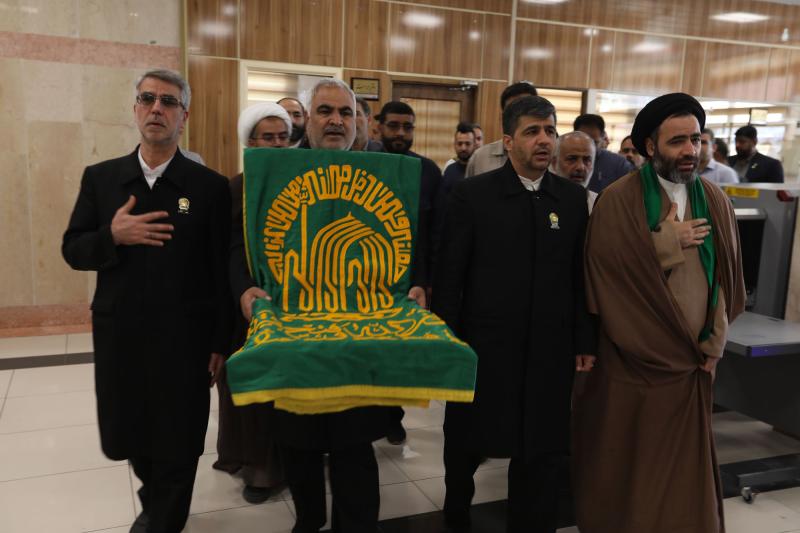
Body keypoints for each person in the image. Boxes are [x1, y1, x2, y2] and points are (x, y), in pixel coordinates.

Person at [62, 69, 231, 533]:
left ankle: (164, 519)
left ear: (184, 116)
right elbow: (72, 249)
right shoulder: (102, 179)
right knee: (131, 432)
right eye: (148, 98)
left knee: (179, 435)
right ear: (136, 109)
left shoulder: (208, 187)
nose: (157, 108)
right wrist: (112, 236)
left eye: (168, 101)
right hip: (123, 335)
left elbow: (221, 270)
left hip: (186, 338)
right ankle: (155, 500)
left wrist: (221, 341)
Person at [572, 93, 746, 533]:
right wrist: (668, 242)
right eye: (677, 141)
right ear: (650, 147)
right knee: (632, 462)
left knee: (685, 472)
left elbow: (725, 280)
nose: (690, 150)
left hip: (693, 365)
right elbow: (606, 273)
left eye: (696, 140)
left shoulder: (714, 199)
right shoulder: (619, 200)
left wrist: (715, 344)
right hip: (633, 364)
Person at [268, 78, 426, 533]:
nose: (335, 121)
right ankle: (308, 521)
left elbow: (412, 238)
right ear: (307, 120)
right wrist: (245, 289)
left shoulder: (384, 173)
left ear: (358, 121)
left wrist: (418, 283)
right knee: (298, 441)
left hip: (362, 336)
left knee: (354, 444)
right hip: (296, 335)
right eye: (324, 111)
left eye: (345, 112)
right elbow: (247, 244)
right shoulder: (278, 171)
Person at [433, 95, 596, 533]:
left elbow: (580, 278)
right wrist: (447, 344)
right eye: (532, 132)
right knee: (467, 442)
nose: (544, 140)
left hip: (549, 349)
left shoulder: (571, 199)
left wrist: (584, 340)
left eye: (550, 131)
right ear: (508, 142)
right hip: (484, 348)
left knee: (541, 450)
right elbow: (449, 279)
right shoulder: (473, 195)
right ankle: (456, 514)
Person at [214, 102, 293, 504]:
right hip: (249, 304)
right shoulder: (237, 187)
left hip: (296, 304)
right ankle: (259, 471)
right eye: (268, 137)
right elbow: (230, 248)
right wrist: (245, 288)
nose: (277, 145)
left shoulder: (302, 181)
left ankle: (295, 462)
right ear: (251, 142)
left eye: (283, 137)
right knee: (254, 390)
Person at [377, 99, 442, 445]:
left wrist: (426, 281)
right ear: (378, 128)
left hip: (410, 279)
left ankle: (392, 417)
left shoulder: (428, 171)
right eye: (394, 126)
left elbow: (436, 232)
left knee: (399, 352)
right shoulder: (365, 163)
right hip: (368, 274)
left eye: (407, 127)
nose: (401, 133)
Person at [465, 82, 538, 178]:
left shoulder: (549, 158)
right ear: (503, 117)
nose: (520, 118)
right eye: (513, 112)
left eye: (526, 110)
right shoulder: (480, 158)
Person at [573, 113, 634, 192]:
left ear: (603, 138)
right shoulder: (563, 159)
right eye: (583, 141)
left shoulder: (619, 165)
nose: (588, 147)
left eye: (594, 143)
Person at [550, 130, 598, 213]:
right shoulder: (540, 201)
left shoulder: (599, 204)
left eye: (587, 160)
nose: (580, 167)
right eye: (572, 159)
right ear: (554, 163)